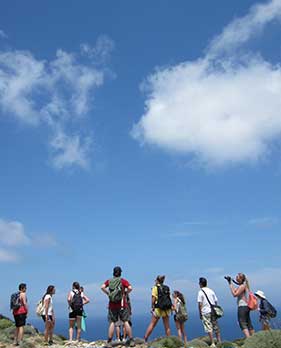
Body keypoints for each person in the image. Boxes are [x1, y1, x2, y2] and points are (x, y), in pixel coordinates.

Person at [101, 266, 134, 346]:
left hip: (112, 305)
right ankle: (131, 340)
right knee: (126, 321)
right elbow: (130, 288)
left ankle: (109, 341)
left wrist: (108, 293)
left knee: (112, 322)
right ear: (120, 273)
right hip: (122, 304)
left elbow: (102, 287)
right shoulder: (123, 281)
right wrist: (125, 293)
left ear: (113, 272)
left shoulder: (109, 281)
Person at [144, 275, 172, 342]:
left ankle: (145, 338)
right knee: (167, 326)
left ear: (157, 280)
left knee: (152, 324)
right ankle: (170, 340)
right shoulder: (167, 287)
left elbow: (153, 298)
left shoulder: (155, 288)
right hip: (166, 309)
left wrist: (152, 307)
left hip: (158, 309)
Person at [225, 273, 254, 337]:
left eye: (237, 277)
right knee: (248, 323)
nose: (236, 277)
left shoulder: (242, 286)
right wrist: (230, 282)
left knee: (242, 323)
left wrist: (230, 283)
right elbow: (235, 290)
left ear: (240, 279)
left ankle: (249, 339)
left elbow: (235, 294)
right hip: (246, 306)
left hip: (242, 306)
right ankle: (254, 338)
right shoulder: (243, 285)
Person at [198, 277, 221, 348]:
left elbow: (200, 304)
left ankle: (213, 343)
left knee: (209, 327)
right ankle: (219, 341)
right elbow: (216, 301)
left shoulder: (200, 292)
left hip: (205, 311)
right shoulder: (211, 291)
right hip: (213, 311)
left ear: (200, 284)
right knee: (216, 326)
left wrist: (200, 313)